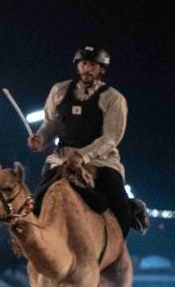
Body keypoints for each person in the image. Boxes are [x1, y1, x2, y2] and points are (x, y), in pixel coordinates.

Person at [27, 45, 148, 237]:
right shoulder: (59, 90)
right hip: (62, 159)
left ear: (101, 69)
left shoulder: (113, 98)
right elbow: (51, 123)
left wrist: (82, 156)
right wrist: (41, 138)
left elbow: (111, 137)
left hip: (100, 160)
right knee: (37, 202)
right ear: (78, 66)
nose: (87, 68)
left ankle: (118, 252)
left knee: (119, 205)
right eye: (83, 63)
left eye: (93, 65)